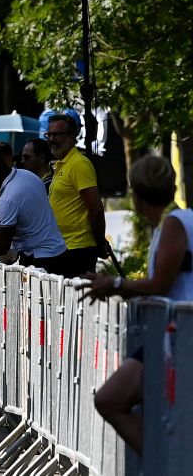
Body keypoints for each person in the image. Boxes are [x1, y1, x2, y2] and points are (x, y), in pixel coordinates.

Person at [86, 155, 191, 457]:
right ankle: (165, 461)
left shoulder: (174, 223)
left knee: (111, 399)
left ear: (136, 193)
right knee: (113, 400)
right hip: (171, 333)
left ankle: (166, 462)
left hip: (179, 335)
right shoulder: (169, 224)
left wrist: (115, 284)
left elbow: (160, 284)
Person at [0, 149, 68, 273]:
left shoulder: (7, 199)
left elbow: (1, 248)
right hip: (59, 251)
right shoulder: (28, 175)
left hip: (40, 261)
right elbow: (29, 216)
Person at [46, 114, 108, 276]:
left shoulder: (79, 164)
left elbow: (96, 209)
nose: (52, 139)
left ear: (72, 136)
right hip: (62, 248)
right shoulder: (62, 164)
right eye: (49, 135)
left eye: (57, 135)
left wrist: (100, 241)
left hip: (78, 249)